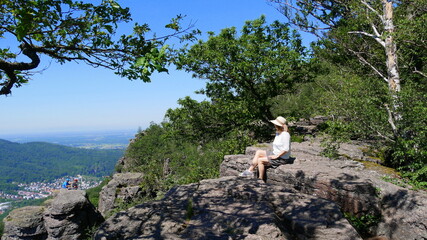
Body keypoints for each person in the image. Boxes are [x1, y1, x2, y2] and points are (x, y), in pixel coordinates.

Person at [240, 116, 291, 180]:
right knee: (258, 152)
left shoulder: (285, 135)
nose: (274, 125)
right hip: (275, 153)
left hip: (281, 158)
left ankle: (260, 179)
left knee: (260, 160)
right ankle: (250, 171)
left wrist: (276, 156)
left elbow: (286, 149)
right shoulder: (278, 133)